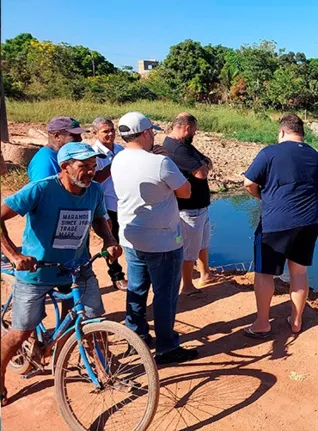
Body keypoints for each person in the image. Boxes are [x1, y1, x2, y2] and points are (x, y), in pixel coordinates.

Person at [0, 142, 122, 406]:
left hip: (77, 268)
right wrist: (14, 256)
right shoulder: (41, 189)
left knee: (94, 323)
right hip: (38, 273)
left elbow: (100, 219)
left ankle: (103, 370)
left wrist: (109, 240)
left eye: (93, 166)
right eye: (83, 167)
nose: (91, 172)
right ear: (65, 167)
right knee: (20, 333)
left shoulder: (95, 191)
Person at [111, 111, 198, 364]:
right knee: (166, 293)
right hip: (163, 241)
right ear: (147, 133)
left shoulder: (117, 159)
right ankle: (167, 347)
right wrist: (164, 160)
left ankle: (136, 336)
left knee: (137, 289)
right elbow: (186, 192)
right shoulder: (160, 163)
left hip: (130, 236)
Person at [242, 113, 318, 337]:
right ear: (301, 133)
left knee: (264, 272)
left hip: (276, 221)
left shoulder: (269, 152)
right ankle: (296, 321)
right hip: (310, 220)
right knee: (299, 271)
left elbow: (249, 183)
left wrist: (264, 197)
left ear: (281, 131)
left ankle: (262, 323)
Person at [162, 113, 217, 298]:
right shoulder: (177, 149)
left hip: (199, 206)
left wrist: (205, 164)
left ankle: (205, 273)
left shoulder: (184, 145)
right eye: (194, 129)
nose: (195, 132)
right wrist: (204, 165)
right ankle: (187, 284)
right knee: (190, 248)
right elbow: (202, 172)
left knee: (202, 242)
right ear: (186, 128)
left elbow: (207, 161)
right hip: (189, 208)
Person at [91, 117, 128, 291]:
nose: (111, 134)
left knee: (130, 238)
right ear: (95, 133)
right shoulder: (93, 153)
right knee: (111, 241)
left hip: (125, 202)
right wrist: (115, 165)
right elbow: (95, 179)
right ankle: (116, 276)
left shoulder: (121, 149)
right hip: (107, 205)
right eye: (106, 131)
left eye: (112, 130)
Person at [27, 117, 86, 182]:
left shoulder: (63, 155)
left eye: (79, 135)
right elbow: (44, 190)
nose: (80, 139)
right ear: (57, 136)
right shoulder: (45, 161)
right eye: (74, 135)